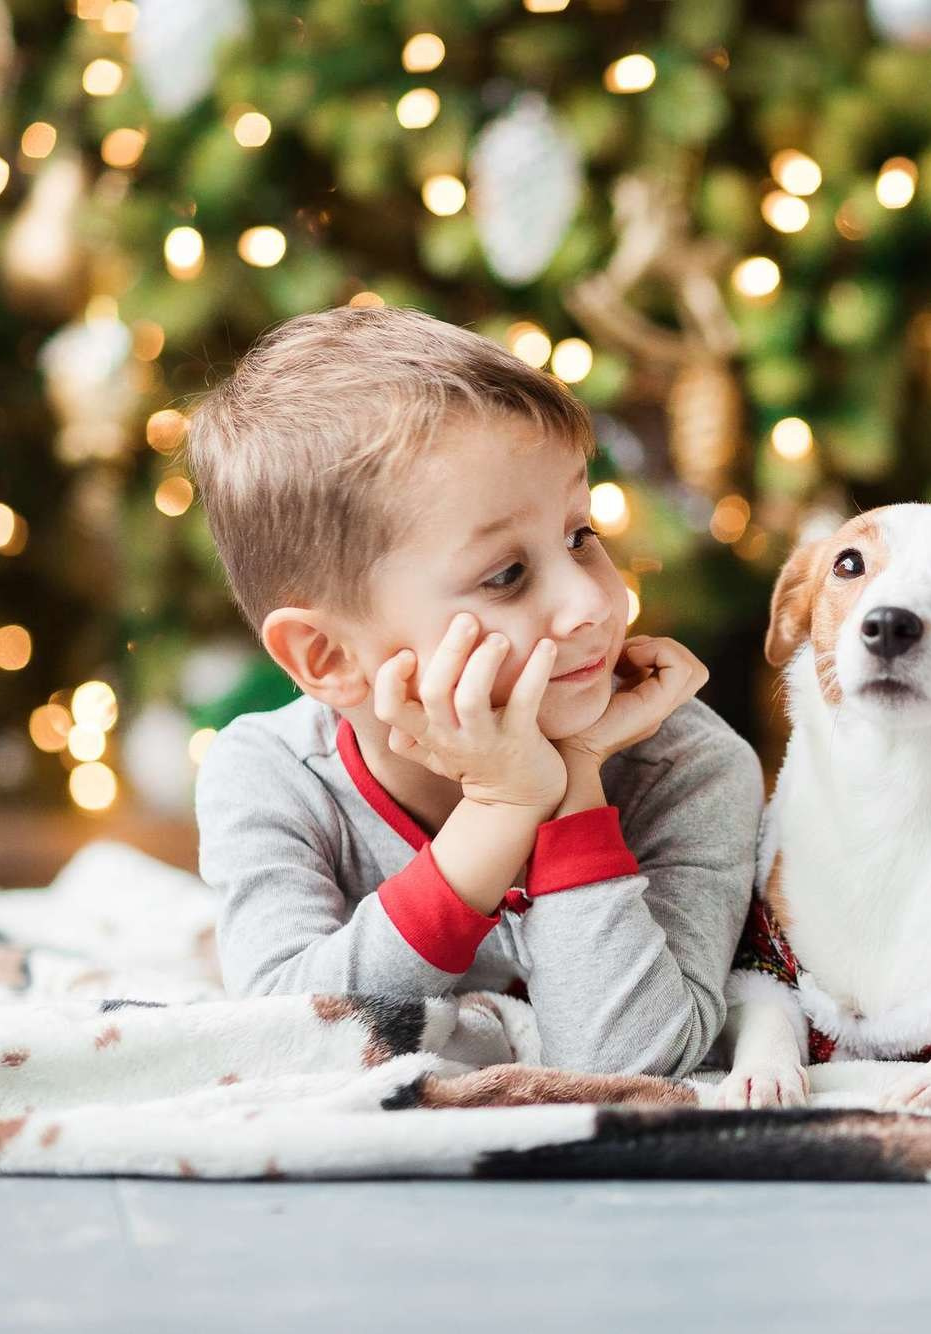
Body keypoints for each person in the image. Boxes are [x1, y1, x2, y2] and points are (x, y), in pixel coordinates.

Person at [187, 305, 761, 1075]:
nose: (597, 602)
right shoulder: (268, 775)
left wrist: (572, 785)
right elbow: (286, 1038)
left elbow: (631, 1063)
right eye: (506, 575)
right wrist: (501, 809)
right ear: (326, 656)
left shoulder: (689, 767)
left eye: (580, 534)